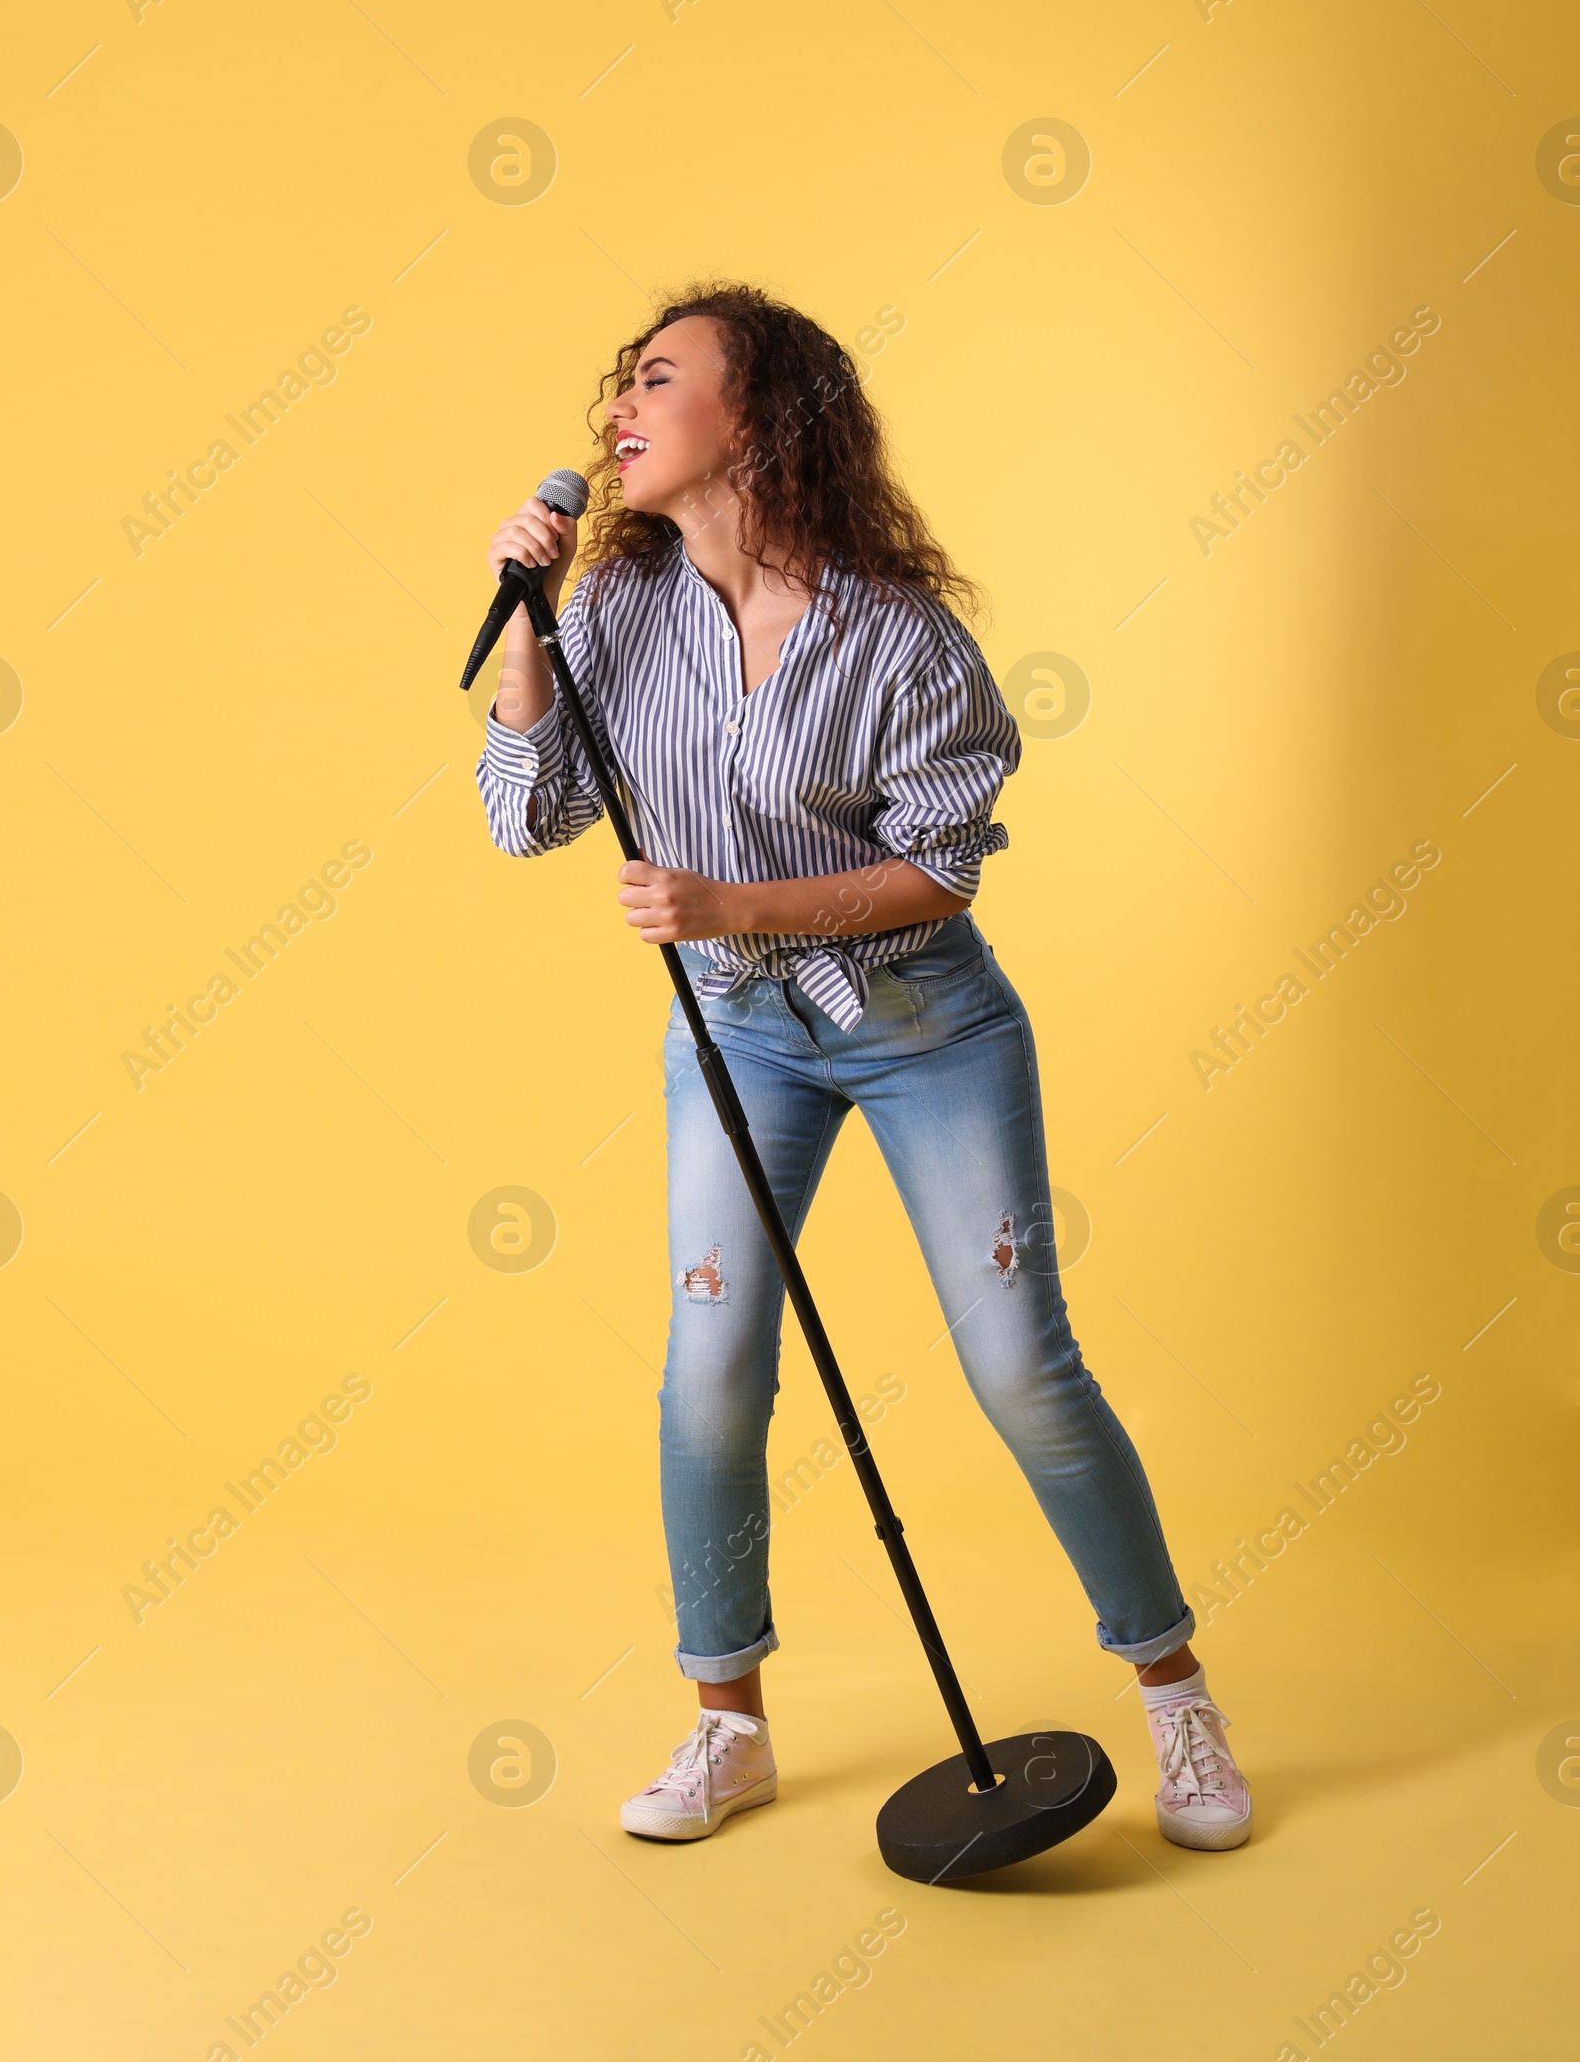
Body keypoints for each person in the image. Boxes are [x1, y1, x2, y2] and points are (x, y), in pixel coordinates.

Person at [475, 282, 1251, 1855]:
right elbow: (524, 814)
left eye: (659, 380)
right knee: (710, 1374)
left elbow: (942, 871)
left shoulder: (898, 637)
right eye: (617, 384)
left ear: (755, 419)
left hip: (922, 1026)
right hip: (738, 1033)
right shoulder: (613, 609)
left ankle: (1175, 1696)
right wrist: (525, 637)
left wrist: (733, 903)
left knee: (1023, 1365)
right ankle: (728, 1726)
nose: (617, 409)